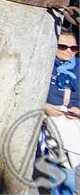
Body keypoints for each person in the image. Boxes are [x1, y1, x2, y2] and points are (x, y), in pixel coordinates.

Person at [40, 30, 80, 194]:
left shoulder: (78, 68)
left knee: (67, 168)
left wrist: (78, 110)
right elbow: (29, 90)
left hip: (72, 123)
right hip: (47, 120)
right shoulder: (44, 65)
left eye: (74, 48)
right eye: (63, 46)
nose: (69, 51)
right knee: (60, 170)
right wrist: (45, 106)